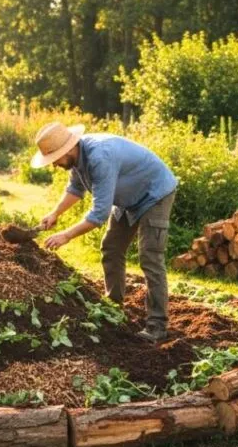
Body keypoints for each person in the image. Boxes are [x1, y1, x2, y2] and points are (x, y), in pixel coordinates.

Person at [31, 122, 178, 343]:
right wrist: (55, 213)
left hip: (154, 194)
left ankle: (157, 326)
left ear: (68, 149)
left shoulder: (100, 156)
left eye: (55, 160)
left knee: (150, 257)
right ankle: (113, 306)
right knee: (111, 247)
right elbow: (75, 190)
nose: (54, 165)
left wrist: (66, 235)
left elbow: (99, 214)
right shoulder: (76, 161)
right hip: (128, 200)